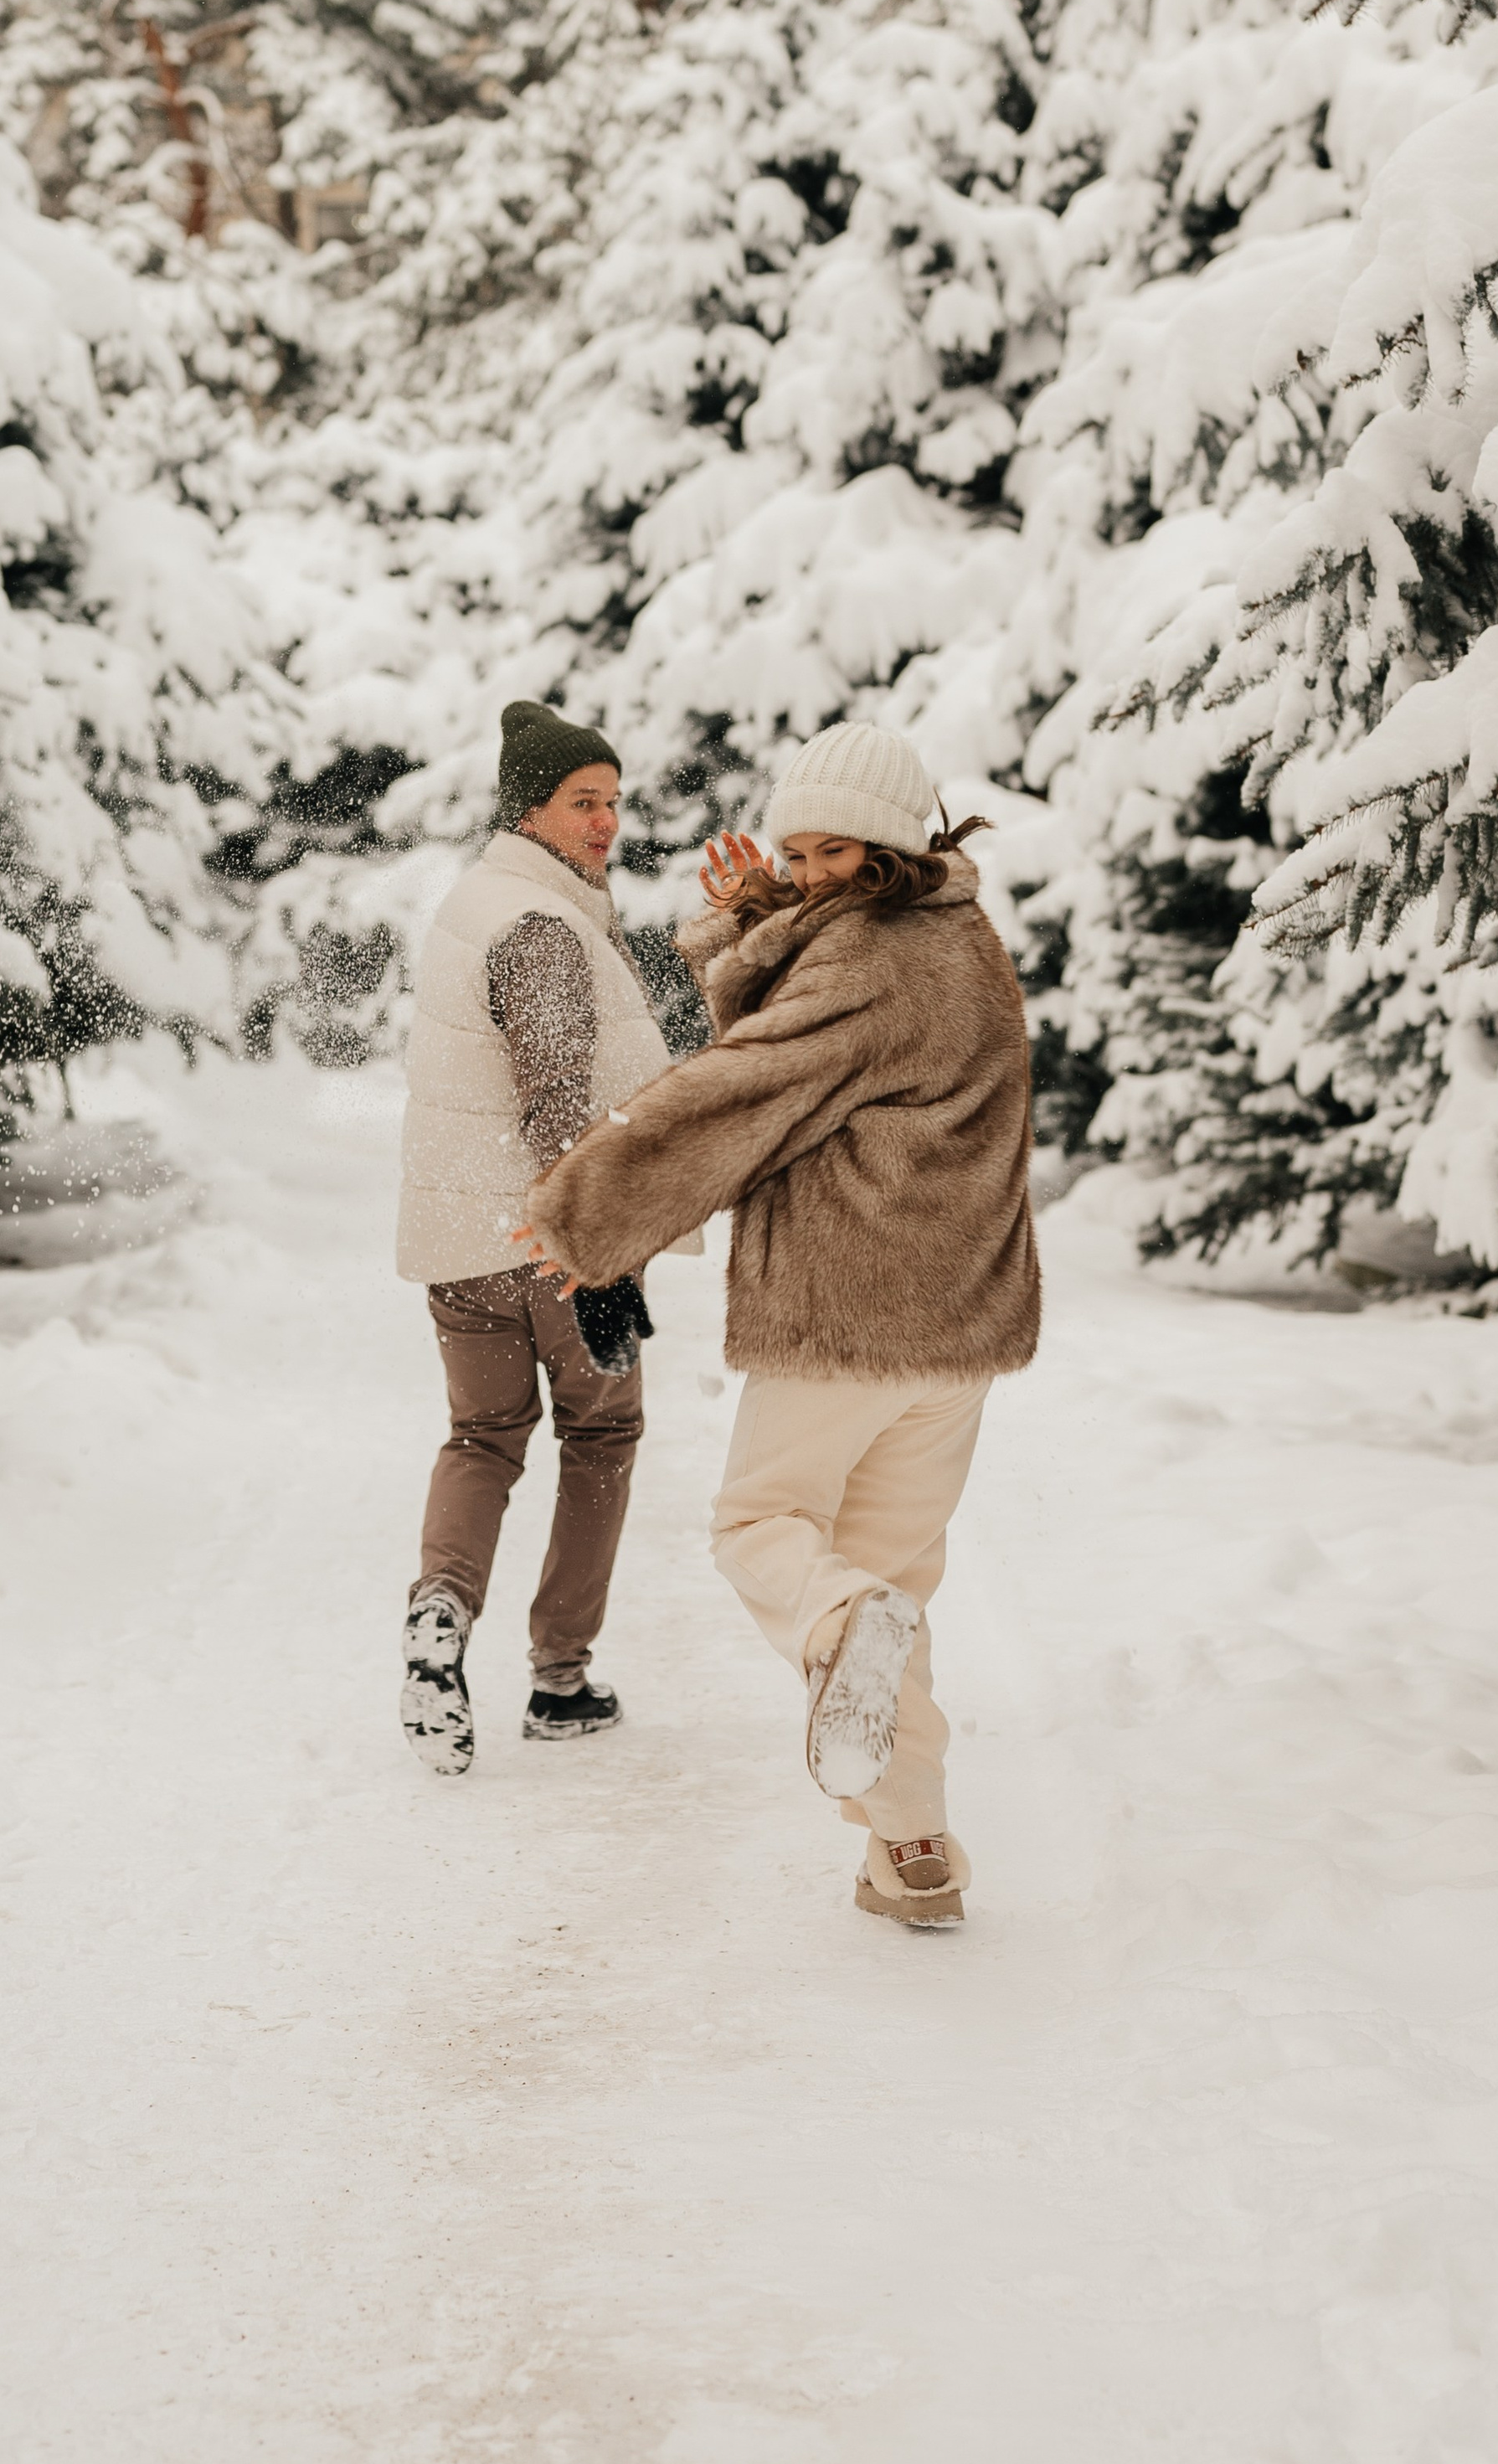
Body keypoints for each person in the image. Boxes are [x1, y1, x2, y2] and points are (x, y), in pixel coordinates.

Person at [517, 721, 1039, 1928]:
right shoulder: (960, 942)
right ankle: (911, 1851)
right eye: (794, 851)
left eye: (829, 853)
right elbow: (831, 1032)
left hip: (848, 1315)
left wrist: (588, 1209)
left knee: (766, 1526)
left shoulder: (867, 963)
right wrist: (770, 921)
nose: (805, 872)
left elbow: (747, 1086)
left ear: (890, 846)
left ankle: (843, 1628)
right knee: (892, 1579)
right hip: (956, 1331)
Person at [396, 699, 699, 1775]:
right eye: (585, 801)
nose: (607, 820)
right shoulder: (541, 923)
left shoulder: (476, 905)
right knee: (601, 1437)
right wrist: (592, 1245)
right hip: (548, 1241)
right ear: (530, 806)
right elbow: (557, 1092)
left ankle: (439, 1611)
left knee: (481, 1438)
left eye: (615, 800)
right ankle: (560, 1679)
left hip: (459, 1242)